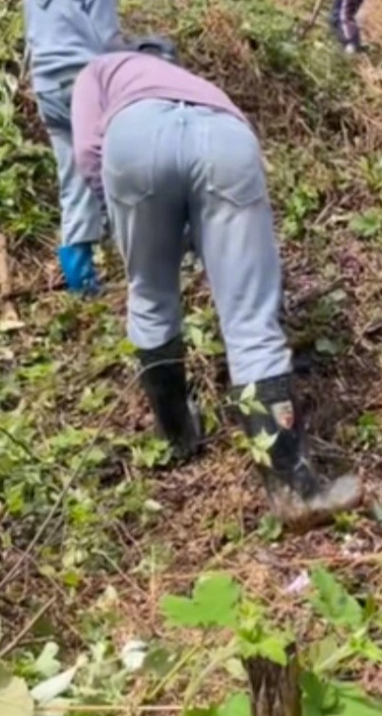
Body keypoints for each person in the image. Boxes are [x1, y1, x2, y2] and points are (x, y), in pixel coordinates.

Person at [70, 44, 362, 530]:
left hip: (135, 141)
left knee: (151, 295)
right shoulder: (197, 85)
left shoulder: (98, 71)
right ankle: (294, 489)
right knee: (249, 318)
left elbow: (85, 152)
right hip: (226, 139)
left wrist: (123, 214)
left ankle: (179, 436)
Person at [22, 0, 130, 294]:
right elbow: (107, 43)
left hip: (47, 86)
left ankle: (80, 277)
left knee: (75, 178)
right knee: (123, 168)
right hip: (85, 86)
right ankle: (157, 255)